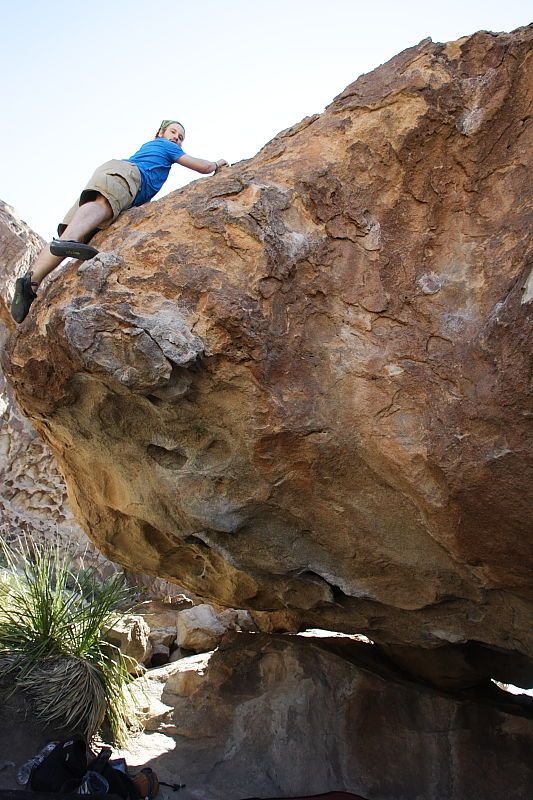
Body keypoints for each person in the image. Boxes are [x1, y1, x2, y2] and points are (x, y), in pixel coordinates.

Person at [10, 119, 228, 323]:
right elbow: (204, 167)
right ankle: (70, 240)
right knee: (102, 207)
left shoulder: (152, 149)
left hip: (111, 173)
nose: (177, 138)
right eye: (173, 132)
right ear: (160, 133)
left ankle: (30, 283)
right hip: (128, 175)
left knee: (67, 239)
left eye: (181, 137)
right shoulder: (165, 146)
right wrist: (218, 163)